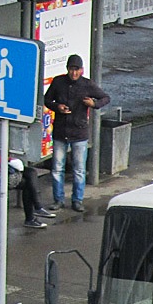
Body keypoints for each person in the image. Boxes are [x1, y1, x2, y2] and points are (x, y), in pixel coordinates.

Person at [43, 54, 110, 213]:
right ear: (67, 69)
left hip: (79, 132)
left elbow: (106, 98)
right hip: (60, 130)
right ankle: (58, 199)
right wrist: (58, 107)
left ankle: (77, 200)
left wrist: (94, 104)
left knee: (79, 169)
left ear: (81, 70)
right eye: (72, 69)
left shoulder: (87, 84)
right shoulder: (58, 82)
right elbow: (47, 100)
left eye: (77, 70)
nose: (74, 73)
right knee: (57, 168)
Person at [9, 157, 56, 229]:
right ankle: (35, 211)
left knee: (32, 172)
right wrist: (7, 159)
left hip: (7, 168)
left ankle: (37, 207)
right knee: (28, 184)